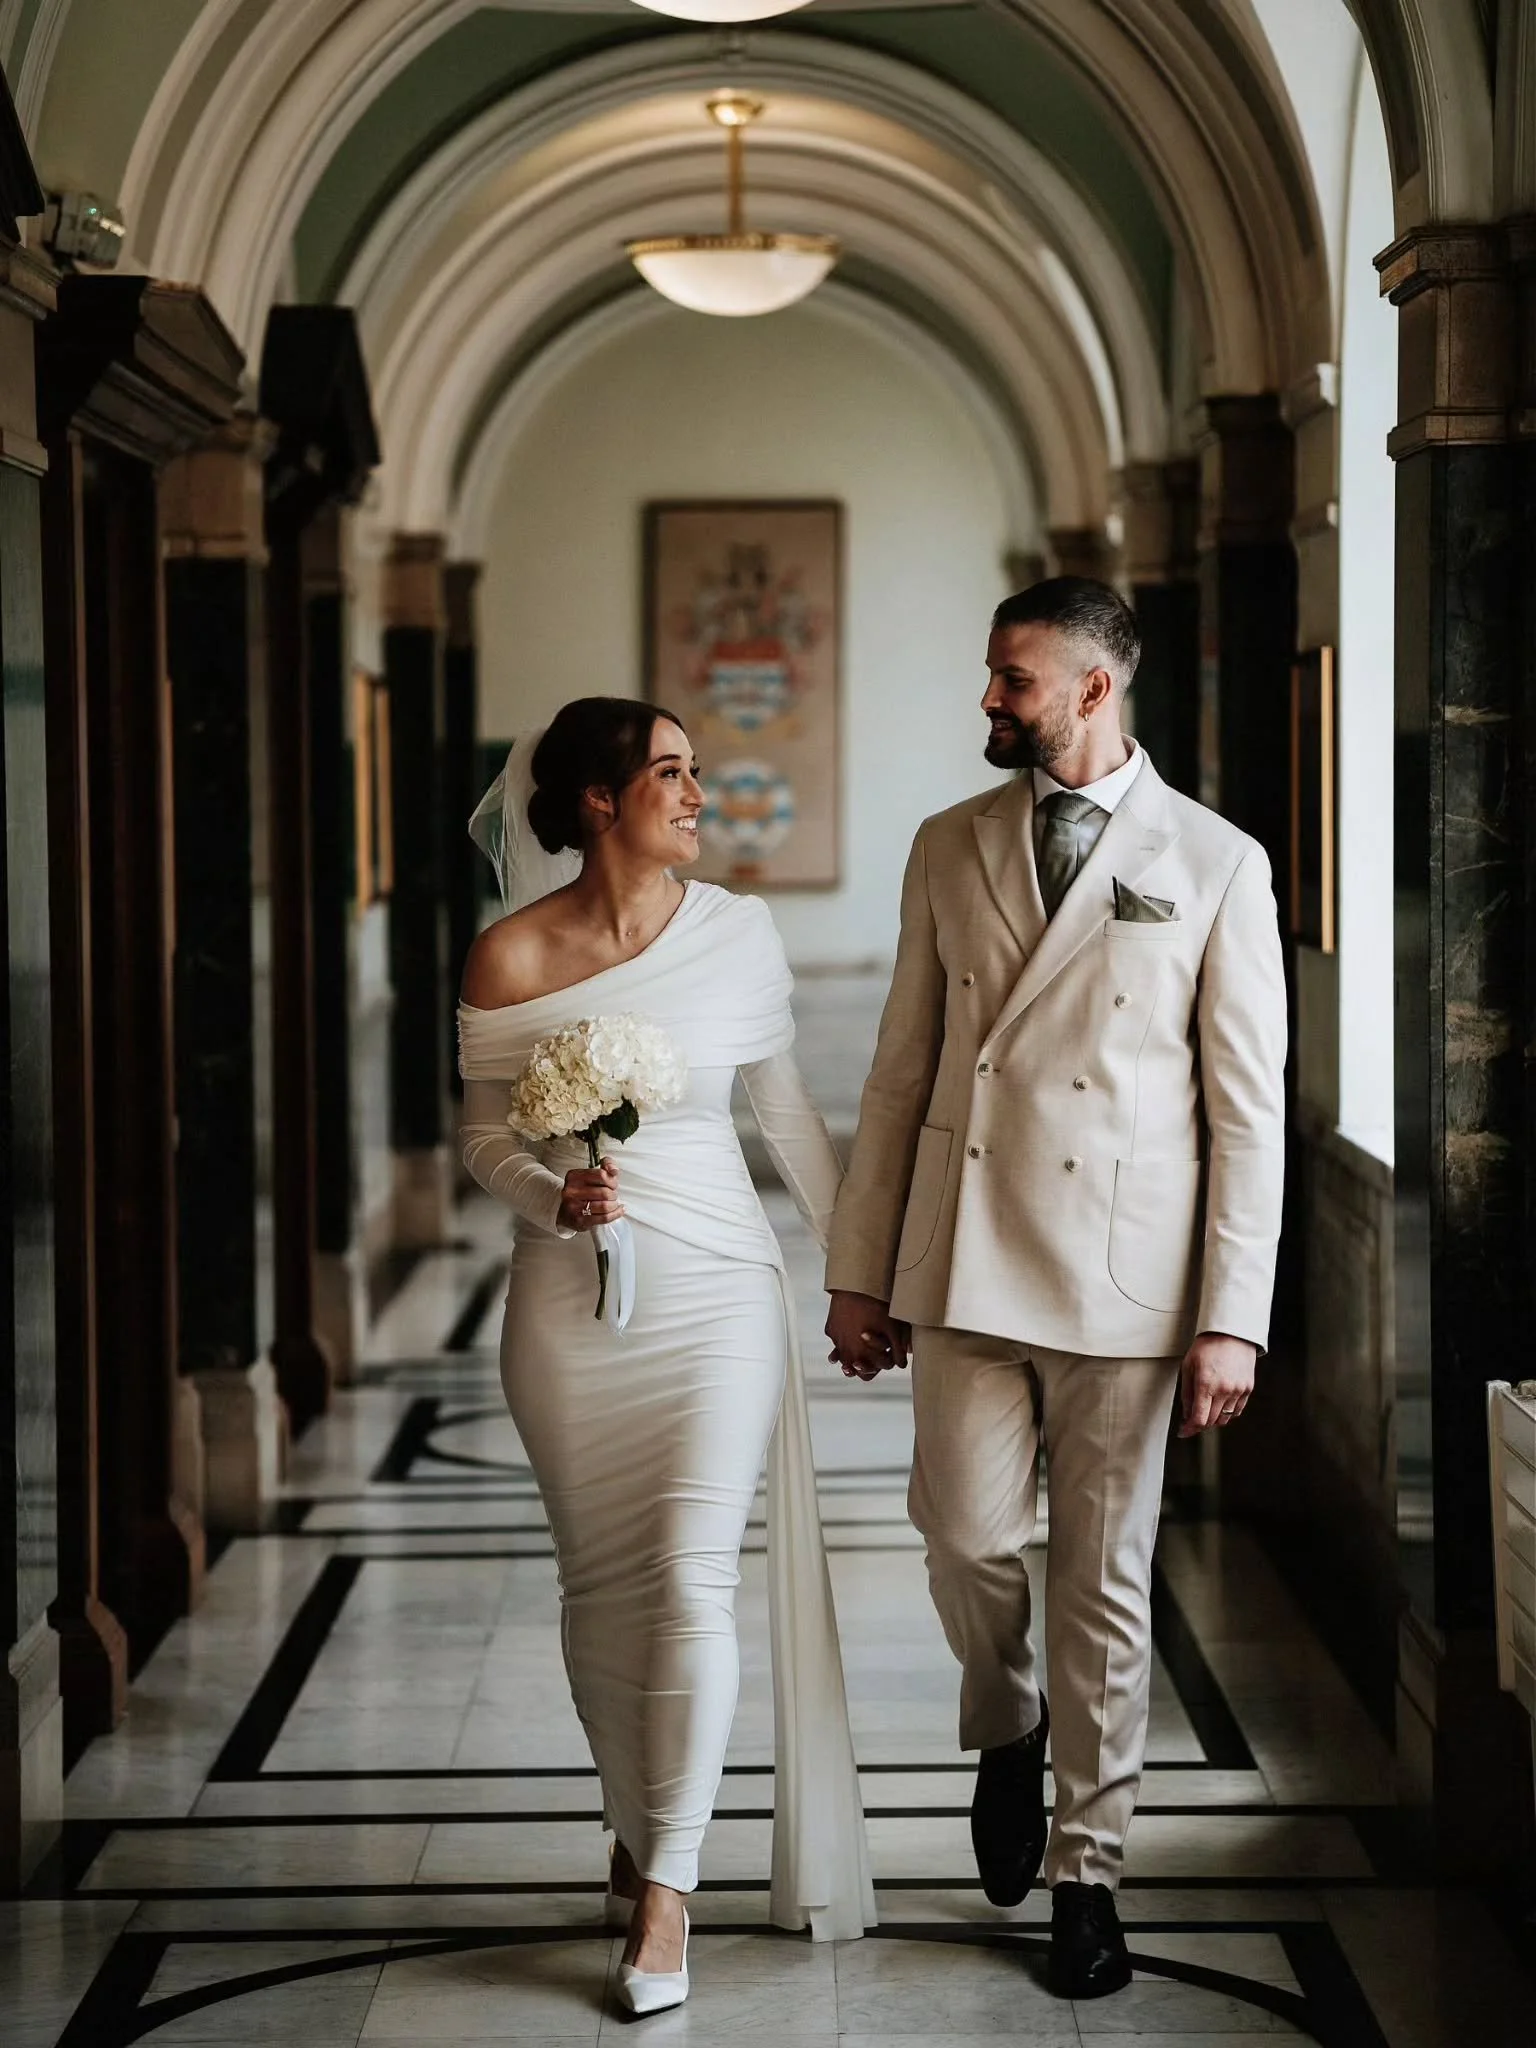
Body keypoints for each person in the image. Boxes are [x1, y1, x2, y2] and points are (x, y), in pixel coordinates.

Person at [824, 578, 1287, 2000]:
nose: (988, 699)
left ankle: (1090, 1875)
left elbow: (1248, 1112)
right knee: (960, 1535)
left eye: (1012, 679)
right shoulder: (947, 845)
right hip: (961, 1264)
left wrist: (1234, 1314)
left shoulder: (1213, 862)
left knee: (1108, 1584)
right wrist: (857, 1270)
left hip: (1129, 1287)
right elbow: (900, 1075)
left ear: (1094, 688)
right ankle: (1007, 1717)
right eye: (989, 674)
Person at [458, 698, 875, 2018]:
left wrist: (863, 1273)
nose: (700, 793)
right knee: (600, 1589)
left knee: (693, 1584)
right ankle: (636, 1813)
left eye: (699, 771)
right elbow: (485, 1142)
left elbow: (789, 1118)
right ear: (596, 799)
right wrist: (550, 1198)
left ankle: (668, 1891)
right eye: (673, 772)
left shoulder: (738, 934)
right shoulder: (508, 957)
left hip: (719, 1292)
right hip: (567, 1304)